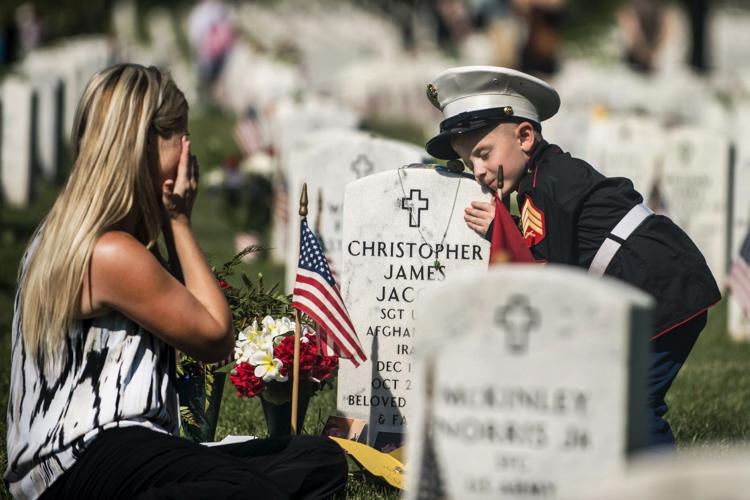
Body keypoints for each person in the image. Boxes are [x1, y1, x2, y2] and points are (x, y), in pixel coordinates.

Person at [5, 63, 347, 500]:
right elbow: (214, 338)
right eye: (181, 136)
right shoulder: (108, 252)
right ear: (142, 146)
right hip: (82, 458)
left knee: (315, 461)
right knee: (245, 490)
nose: (190, 151)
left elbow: (199, 323)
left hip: (129, 453)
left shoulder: (93, 237)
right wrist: (178, 220)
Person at [424, 65, 721, 447]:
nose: (479, 171)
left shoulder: (550, 187)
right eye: (470, 163)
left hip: (662, 290)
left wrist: (501, 231)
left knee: (630, 404)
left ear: (526, 136)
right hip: (653, 282)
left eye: (484, 154)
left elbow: (554, 282)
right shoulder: (541, 179)